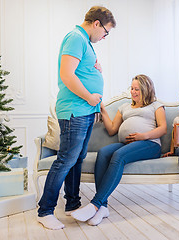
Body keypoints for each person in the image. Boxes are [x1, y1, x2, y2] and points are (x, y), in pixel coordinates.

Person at [37, 6, 116, 230]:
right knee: (65, 160)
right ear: (97, 23)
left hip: (86, 111)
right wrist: (90, 97)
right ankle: (45, 211)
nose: (105, 37)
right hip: (75, 110)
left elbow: (81, 71)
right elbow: (67, 75)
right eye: (106, 32)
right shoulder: (75, 37)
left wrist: (96, 70)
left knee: (77, 158)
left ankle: (72, 204)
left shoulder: (85, 42)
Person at [71, 74, 167, 226]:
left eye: (137, 89)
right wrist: (102, 110)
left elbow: (163, 129)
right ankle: (103, 207)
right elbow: (112, 130)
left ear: (146, 90)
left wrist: (143, 136)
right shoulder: (124, 107)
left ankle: (95, 204)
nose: (133, 92)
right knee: (103, 153)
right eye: (132, 88)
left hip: (150, 144)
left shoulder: (156, 105)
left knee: (119, 155)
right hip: (128, 144)